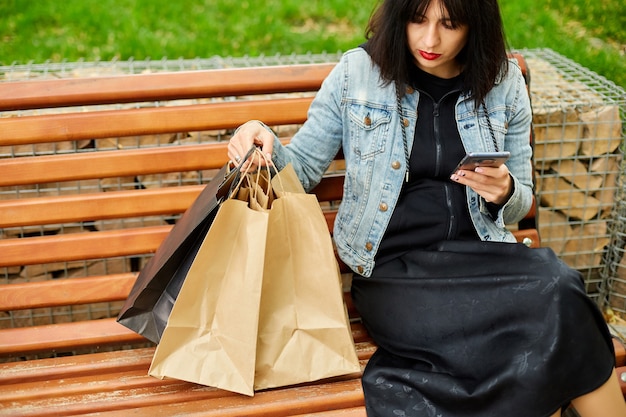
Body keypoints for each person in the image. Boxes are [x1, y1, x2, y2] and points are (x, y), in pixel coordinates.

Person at [228, 0, 626, 415]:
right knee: (544, 325)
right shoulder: (358, 75)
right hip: (395, 274)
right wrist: (257, 136)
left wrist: (504, 190)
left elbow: (519, 203)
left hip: (482, 260)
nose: (430, 39)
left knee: (562, 289)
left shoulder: (502, 82)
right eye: (418, 20)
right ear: (400, 16)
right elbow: (305, 169)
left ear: (476, 27)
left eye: (449, 25)